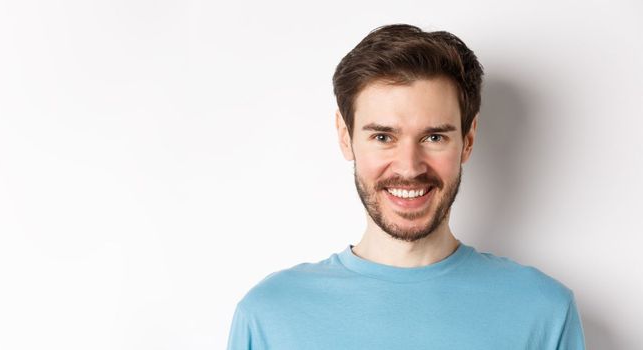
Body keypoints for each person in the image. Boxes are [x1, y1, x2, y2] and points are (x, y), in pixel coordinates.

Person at [226, 24, 585, 350]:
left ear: (468, 139)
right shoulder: (269, 316)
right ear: (345, 137)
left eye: (434, 136)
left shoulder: (544, 312)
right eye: (383, 136)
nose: (409, 167)